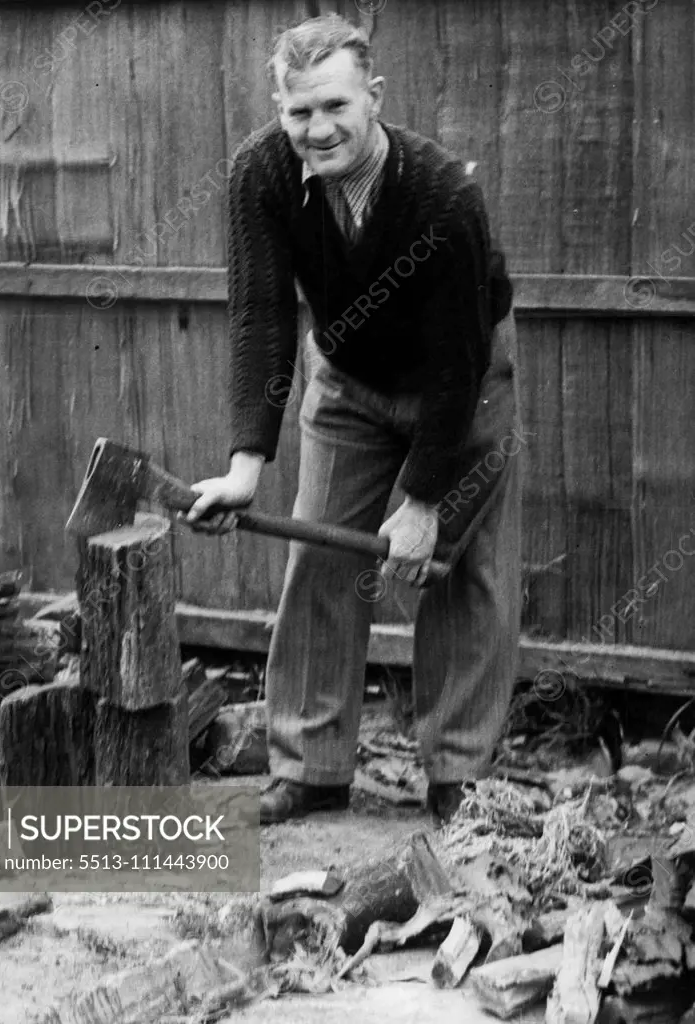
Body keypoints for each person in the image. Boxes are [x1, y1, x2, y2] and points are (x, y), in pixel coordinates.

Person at [186, 14, 523, 826]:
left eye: (335, 106)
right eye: (299, 112)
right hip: (344, 377)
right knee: (320, 556)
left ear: (372, 97)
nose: (318, 129)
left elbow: (457, 362)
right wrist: (244, 466)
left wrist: (421, 500)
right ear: (279, 104)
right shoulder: (260, 173)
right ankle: (311, 767)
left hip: (465, 376)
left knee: (462, 573)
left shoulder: (444, 193)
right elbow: (261, 316)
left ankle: (460, 773)